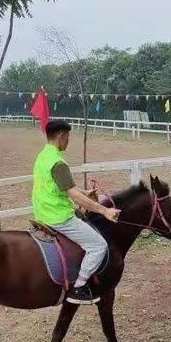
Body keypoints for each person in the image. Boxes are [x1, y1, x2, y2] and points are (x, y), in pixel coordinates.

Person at [32, 120, 120, 305]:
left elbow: (62, 188)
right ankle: (79, 286)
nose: (68, 141)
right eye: (68, 137)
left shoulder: (43, 156)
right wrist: (105, 211)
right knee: (98, 245)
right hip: (58, 216)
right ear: (62, 137)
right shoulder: (58, 162)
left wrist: (84, 192)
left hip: (42, 212)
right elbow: (73, 195)